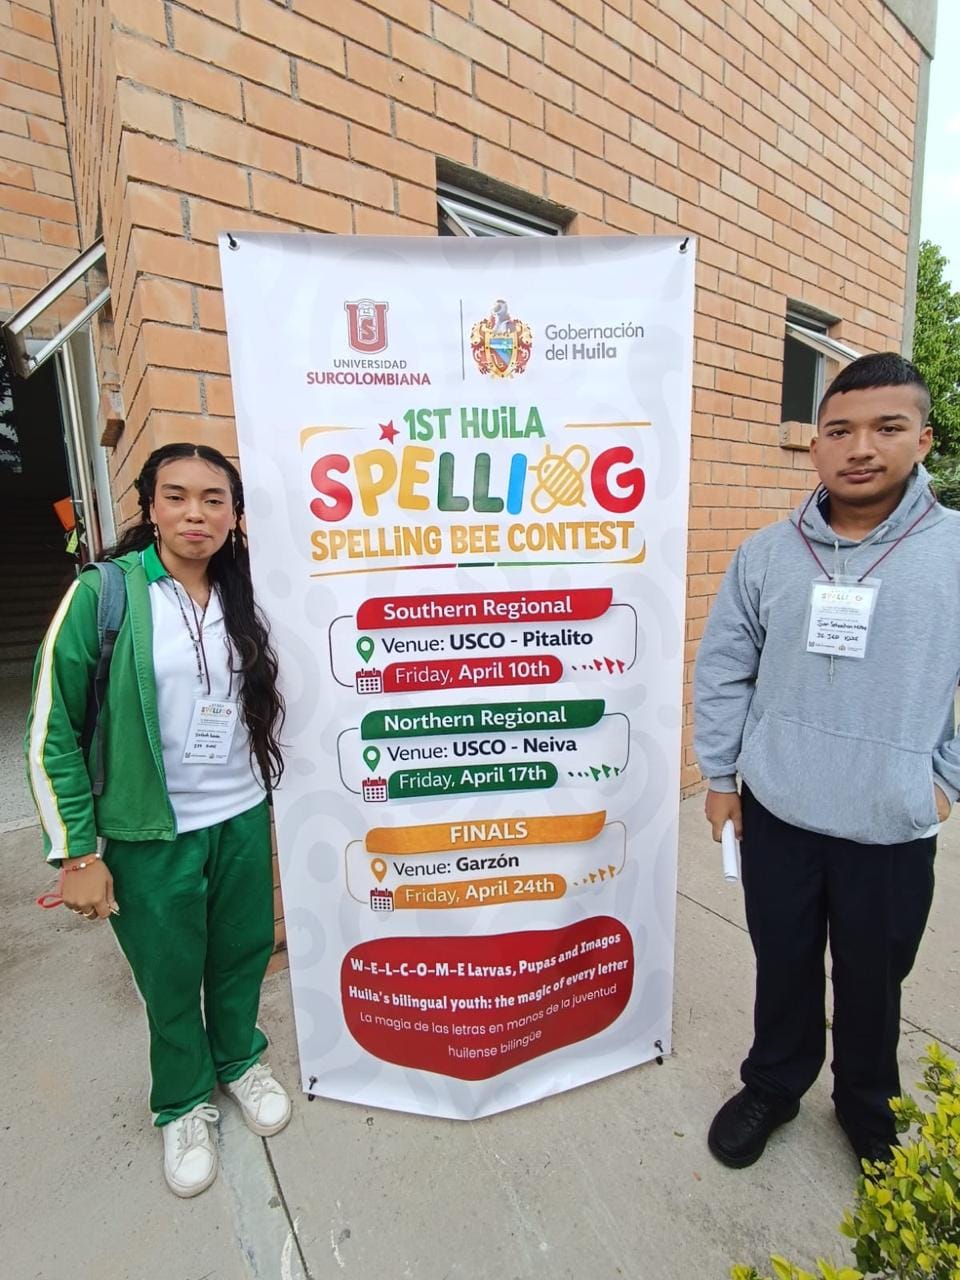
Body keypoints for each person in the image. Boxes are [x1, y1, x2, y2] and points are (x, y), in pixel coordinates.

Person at [694, 352, 960, 1171]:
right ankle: (775, 1083)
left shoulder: (953, 552)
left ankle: (866, 1106)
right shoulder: (768, 555)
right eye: (839, 431)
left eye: (887, 427)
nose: (861, 448)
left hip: (890, 823)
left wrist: (944, 779)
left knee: (874, 981)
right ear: (815, 446)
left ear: (924, 439)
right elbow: (725, 667)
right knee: (783, 962)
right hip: (779, 810)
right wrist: (720, 776)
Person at [26, 442, 290, 1198]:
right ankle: (181, 1100)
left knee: (241, 953)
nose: (195, 513)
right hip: (149, 833)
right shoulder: (104, 594)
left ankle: (238, 1059)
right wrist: (78, 854)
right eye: (177, 496)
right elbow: (50, 729)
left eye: (214, 499)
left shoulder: (249, 591)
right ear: (149, 506)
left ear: (234, 514)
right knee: (169, 976)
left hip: (240, 814)